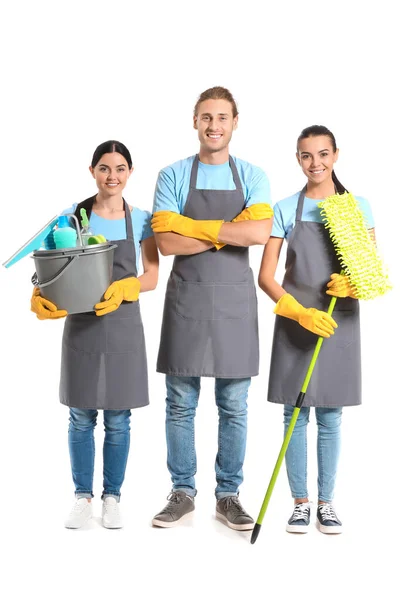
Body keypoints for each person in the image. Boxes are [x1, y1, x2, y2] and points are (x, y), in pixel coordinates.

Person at [150, 86, 273, 530]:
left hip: (236, 304)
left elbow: (259, 234)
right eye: (206, 117)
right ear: (195, 122)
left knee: (234, 404)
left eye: (222, 117)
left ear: (235, 122)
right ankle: (182, 491)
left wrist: (191, 225)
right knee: (180, 402)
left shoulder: (254, 175)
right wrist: (227, 230)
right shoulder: (173, 175)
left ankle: (228, 495)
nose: (214, 125)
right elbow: (165, 243)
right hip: (188, 299)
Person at [30, 140, 159, 529]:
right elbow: (47, 268)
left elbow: (151, 275)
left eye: (120, 169)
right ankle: (82, 496)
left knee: (118, 418)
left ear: (130, 173)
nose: (112, 176)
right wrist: (39, 295)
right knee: (81, 416)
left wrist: (127, 287)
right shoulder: (72, 218)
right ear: (92, 172)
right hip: (82, 325)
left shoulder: (142, 220)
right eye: (104, 168)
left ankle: (113, 496)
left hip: (123, 326)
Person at [258, 125, 375, 534]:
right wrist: (299, 312)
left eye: (323, 154)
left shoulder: (356, 207)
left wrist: (353, 283)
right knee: (293, 414)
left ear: (336, 155)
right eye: (307, 156)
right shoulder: (285, 208)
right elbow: (266, 277)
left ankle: (326, 503)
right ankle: (300, 504)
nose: (316, 163)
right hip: (297, 320)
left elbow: (371, 274)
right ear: (298, 159)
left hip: (339, 319)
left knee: (330, 413)